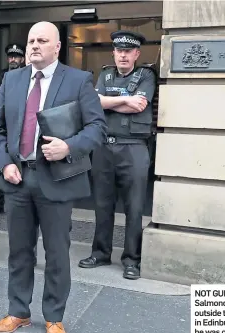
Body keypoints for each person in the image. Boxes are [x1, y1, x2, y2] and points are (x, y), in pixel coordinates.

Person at [0, 22, 106, 333]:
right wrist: (4, 162)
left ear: (57, 47)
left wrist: (69, 146)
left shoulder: (78, 80)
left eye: (42, 40)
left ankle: (54, 317)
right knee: (19, 251)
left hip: (56, 179)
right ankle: (18, 311)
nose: (35, 45)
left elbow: (97, 127)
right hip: (17, 177)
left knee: (56, 252)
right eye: (31, 40)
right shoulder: (12, 80)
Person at [78, 30, 156, 280]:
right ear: (113, 52)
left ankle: (132, 260)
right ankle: (100, 253)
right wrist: (124, 100)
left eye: (128, 51)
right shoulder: (106, 73)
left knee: (134, 207)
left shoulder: (146, 76)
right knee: (102, 204)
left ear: (136, 54)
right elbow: (94, 102)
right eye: (119, 51)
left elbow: (140, 105)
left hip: (133, 148)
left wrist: (108, 99)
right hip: (104, 147)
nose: (123, 55)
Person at [0, 43, 26, 216]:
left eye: (16, 57)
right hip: (3, 127)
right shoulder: (1, 76)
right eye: (10, 57)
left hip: (22, 127)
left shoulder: (29, 75)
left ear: (23, 58)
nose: (13, 60)